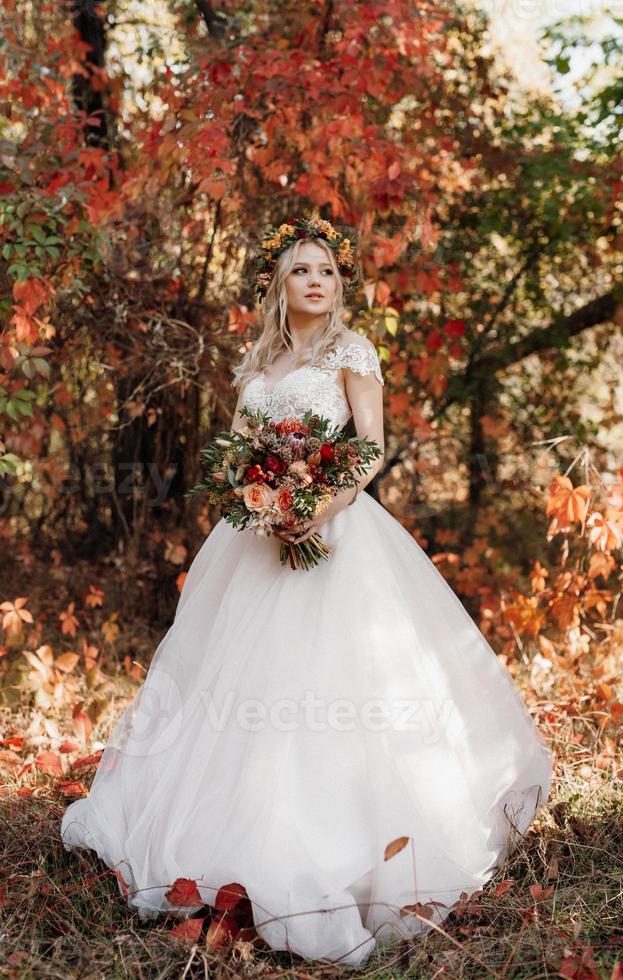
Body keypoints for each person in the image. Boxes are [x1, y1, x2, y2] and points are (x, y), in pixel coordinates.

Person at [61, 214, 554, 968]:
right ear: (280, 284)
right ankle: (218, 843)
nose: (316, 280)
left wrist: (313, 508)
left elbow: (370, 446)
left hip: (338, 535)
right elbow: (235, 452)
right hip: (251, 542)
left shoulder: (351, 351)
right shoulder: (258, 358)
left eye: (326, 269)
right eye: (301, 270)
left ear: (340, 283)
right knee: (228, 685)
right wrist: (256, 501)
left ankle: (332, 848)